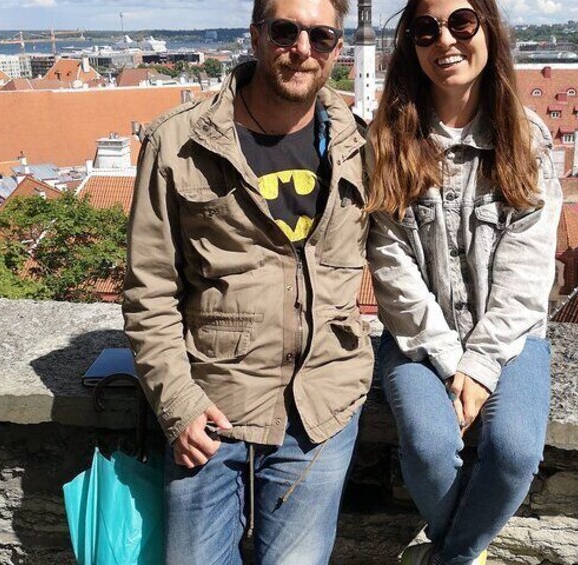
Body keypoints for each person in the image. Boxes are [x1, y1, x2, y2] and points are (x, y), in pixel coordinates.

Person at [122, 0, 374, 562]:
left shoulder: (360, 146)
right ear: (256, 36)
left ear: (338, 49)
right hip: (213, 406)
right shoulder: (180, 143)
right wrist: (178, 403)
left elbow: (407, 257)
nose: (303, 49)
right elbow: (149, 289)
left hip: (321, 407)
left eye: (321, 37)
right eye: (286, 31)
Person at [366, 0, 562, 563]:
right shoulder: (389, 140)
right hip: (418, 337)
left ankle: (449, 556)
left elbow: (527, 273)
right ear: (411, 45)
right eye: (426, 29)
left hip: (511, 335)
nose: (445, 40)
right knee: (429, 448)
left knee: (513, 451)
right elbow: (391, 264)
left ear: (488, 31)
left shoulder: (525, 137)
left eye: (461, 22)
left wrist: (480, 364)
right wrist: (452, 361)